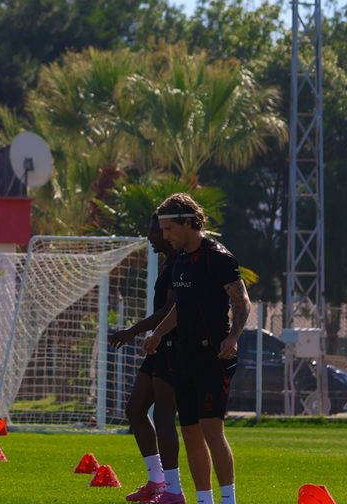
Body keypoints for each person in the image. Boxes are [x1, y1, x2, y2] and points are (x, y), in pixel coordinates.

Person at [145, 194, 250, 504]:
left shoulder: (217, 257)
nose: (165, 236)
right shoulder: (179, 260)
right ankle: (204, 500)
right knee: (190, 431)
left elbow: (241, 300)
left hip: (214, 355)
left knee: (211, 429)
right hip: (185, 355)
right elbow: (181, 307)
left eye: (169, 229)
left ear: (189, 223)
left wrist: (233, 337)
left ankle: (228, 500)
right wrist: (158, 334)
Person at [109, 216, 185, 504]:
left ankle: (173, 491)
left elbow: (171, 309)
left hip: (173, 347)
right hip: (158, 346)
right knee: (135, 409)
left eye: (156, 230)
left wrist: (132, 331)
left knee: (164, 417)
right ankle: (157, 480)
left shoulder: (181, 263)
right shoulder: (168, 261)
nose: (151, 236)